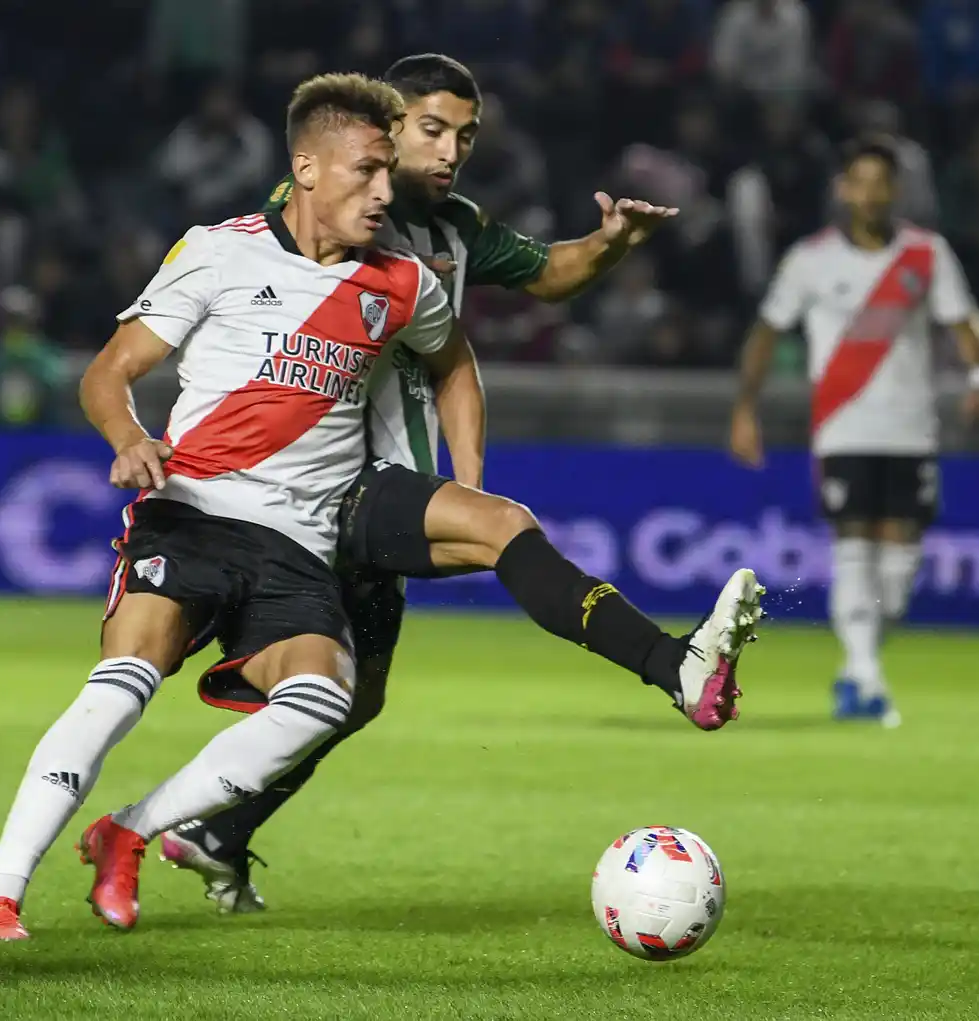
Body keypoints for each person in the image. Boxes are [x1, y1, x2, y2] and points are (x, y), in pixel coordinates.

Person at [160, 53, 766, 914]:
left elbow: (540, 280)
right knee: (496, 537)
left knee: (356, 698)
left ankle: (214, 830)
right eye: (432, 130)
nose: (451, 152)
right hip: (320, 482)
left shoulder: (452, 228)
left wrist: (607, 245)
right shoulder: (318, 215)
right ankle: (676, 665)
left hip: (388, 480)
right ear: (383, 129)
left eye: (466, 136)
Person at [0, 73, 465, 942]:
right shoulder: (219, 251)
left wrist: (467, 470)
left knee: (322, 699)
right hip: (189, 515)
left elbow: (454, 363)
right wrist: (128, 436)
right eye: (365, 169)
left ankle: (130, 828)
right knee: (121, 686)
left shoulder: (406, 285)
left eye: (389, 173)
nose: (384, 190)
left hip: (300, 548)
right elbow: (108, 371)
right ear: (305, 168)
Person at [730, 133, 979, 726]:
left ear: (896, 190)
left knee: (898, 576)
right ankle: (867, 681)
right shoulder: (811, 259)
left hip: (912, 428)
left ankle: (858, 668)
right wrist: (745, 407)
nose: (871, 194)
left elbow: (966, 322)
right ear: (843, 188)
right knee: (853, 549)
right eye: (861, 182)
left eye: (882, 183)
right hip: (843, 428)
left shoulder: (926, 255)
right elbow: (766, 331)